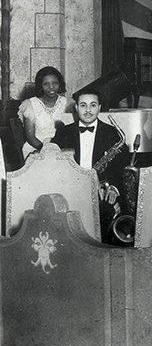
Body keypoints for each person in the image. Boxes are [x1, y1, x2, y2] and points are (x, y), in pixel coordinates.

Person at [51, 88, 126, 244]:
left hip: (101, 190)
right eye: (83, 105)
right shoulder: (63, 133)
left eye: (93, 105)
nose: (88, 110)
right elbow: (54, 165)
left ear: (99, 107)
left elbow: (120, 168)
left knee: (105, 213)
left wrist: (113, 188)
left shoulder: (112, 133)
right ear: (76, 108)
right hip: (71, 188)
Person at [17, 66, 71, 159]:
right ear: (40, 86)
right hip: (36, 147)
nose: (51, 87)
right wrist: (46, 150)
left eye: (55, 83)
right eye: (46, 84)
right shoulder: (30, 105)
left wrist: (59, 150)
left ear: (60, 84)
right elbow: (30, 137)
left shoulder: (68, 103)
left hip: (63, 148)